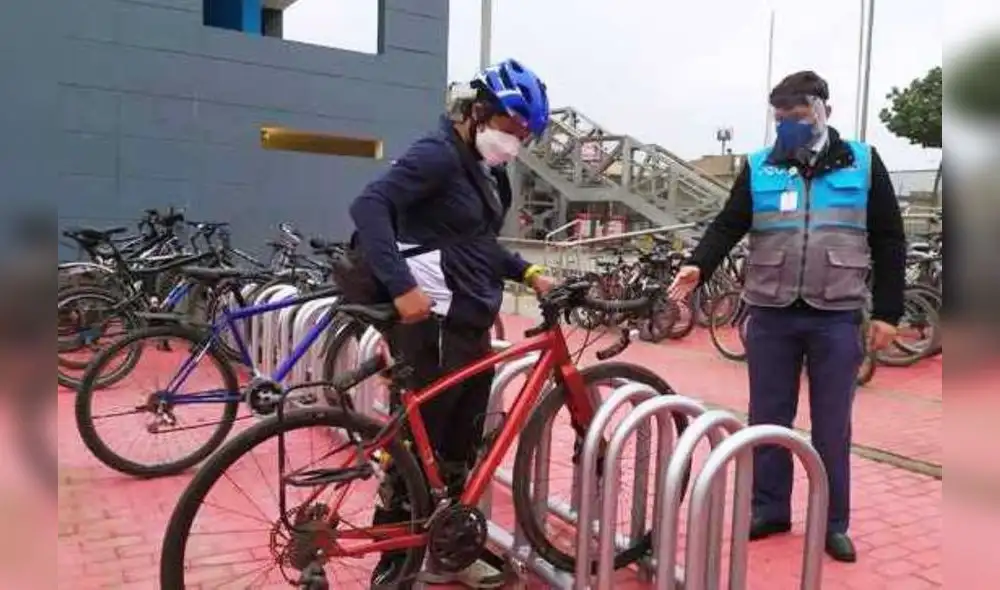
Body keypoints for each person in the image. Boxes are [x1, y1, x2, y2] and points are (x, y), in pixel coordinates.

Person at [668, 70, 906, 562]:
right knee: (768, 418)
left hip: (836, 315)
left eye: (798, 116)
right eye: (781, 118)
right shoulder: (761, 166)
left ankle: (831, 521)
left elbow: (889, 239)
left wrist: (887, 312)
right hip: (771, 312)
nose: (789, 126)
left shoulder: (862, 162)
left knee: (832, 426)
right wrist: (698, 264)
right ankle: (770, 508)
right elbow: (729, 223)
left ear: (824, 111)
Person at [349, 58, 555, 588]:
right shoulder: (437, 154)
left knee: (457, 449)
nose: (515, 142)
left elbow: (476, 244)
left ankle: (450, 552)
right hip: (432, 325)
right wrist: (400, 286)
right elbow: (369, 206)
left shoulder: (485, 171)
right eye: (511, 128)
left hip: (469, 325)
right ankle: (392, 569)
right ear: (479, 110)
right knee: (417, 454)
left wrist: (528, 272)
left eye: (524, 136)